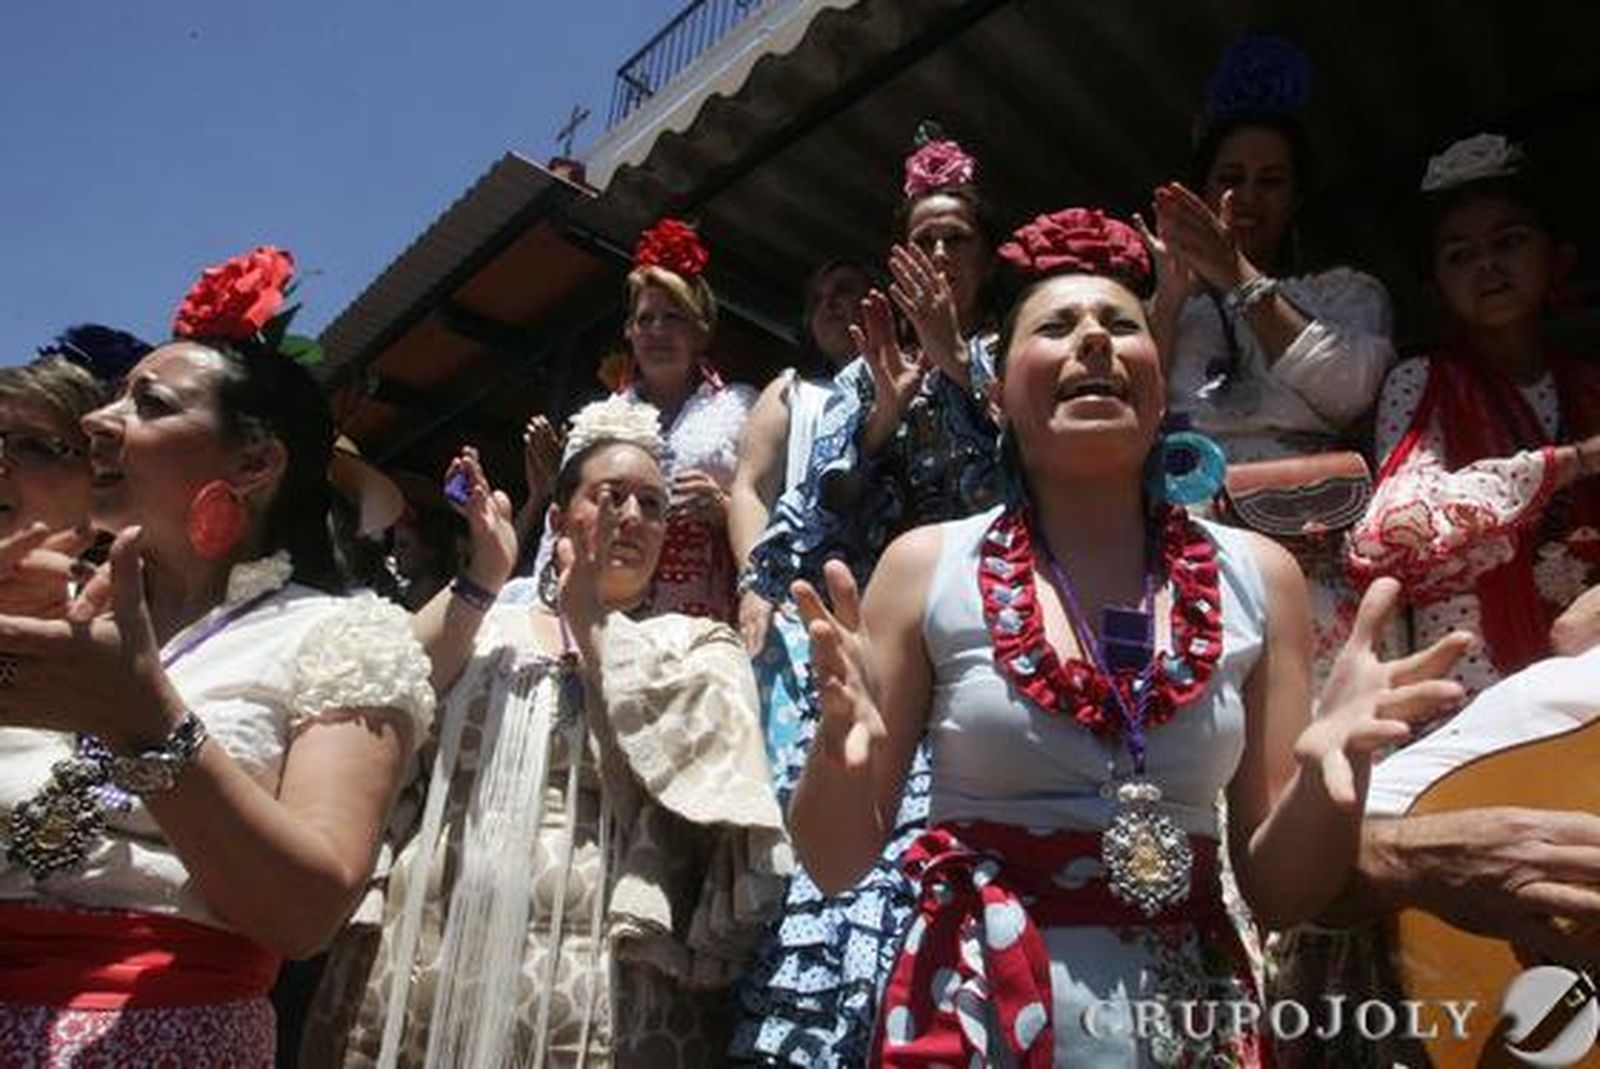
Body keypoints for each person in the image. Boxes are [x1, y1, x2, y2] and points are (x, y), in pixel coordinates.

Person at [786, 207, 1466, 1065]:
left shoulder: (1261, 574)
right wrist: (838, 751)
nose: (1095, 342)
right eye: (1057, 326)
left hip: (1189, 1026)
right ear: (996, 391)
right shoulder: (926, 566)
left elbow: (1281, 891)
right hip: (977, 1019)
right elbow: (836, 861)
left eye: (1120, 324)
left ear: (1158, 378)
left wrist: (1337, 773)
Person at [0, 246, 434, 1066]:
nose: (97, 420)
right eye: (113, 400)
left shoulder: (343, 634)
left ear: (254, 462)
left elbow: (306, 913)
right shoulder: (43, 609)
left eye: (150, 404)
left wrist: (143, 718)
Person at [333, 396, 789, 1067]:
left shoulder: (696, 642)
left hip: (606, 974)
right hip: (432, 941)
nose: (633, 516)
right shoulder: (486, 619)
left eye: (653, 504)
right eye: (612, 496)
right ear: (557, 516)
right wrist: (484, 575)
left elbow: (697, 789)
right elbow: (382, 692)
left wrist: (594, 622)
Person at [731, 128, 1006, 1066]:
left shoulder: (1025, 355)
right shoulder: (855, 379)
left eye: (956, 239)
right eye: (922, 239)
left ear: (986, 255)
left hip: (997, 661)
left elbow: (1048, 504)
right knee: (849, 879)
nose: (939, 257)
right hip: (883, 670)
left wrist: (962, 373)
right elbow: (801, 549)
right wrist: (882, 422)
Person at [1348, 133, 1600, 700]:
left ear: (1558, 258)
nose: (1487, 266)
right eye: (1460, 255)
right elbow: (1394, 528)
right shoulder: (1422, 382)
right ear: (1435, 289)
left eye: (1509, 242)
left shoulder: (1590, 384)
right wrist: (1575, 461)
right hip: (1475, 663)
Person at [1156, 34, 1396, 464]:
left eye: (1270, 181)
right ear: (1200, 194)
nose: (1248, 197)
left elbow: (1350, 396)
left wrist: (1236, 276)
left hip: (1314, 514)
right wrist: (1169, 303)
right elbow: (1127, 418)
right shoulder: (1161, 305)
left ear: (1296, 200)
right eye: (1230, 178)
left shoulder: (1345, 294)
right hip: (1187, 514)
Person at [611, 217, 755, 622]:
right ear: (629, 333)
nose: (657, 330)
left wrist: (726, 510)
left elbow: (772, 505)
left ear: (701, 332)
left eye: (673, 317)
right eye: (645, 319)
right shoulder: (600, 421)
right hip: (616, 621)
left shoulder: (742, 407)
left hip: (710, 622)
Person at [728, 257, 872, 656]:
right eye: (817, 298)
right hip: (797, 605)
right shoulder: (792, 392)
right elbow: (750, 489)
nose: (829, 303)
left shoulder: (924, 382)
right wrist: (756, 585)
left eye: (844, 290)